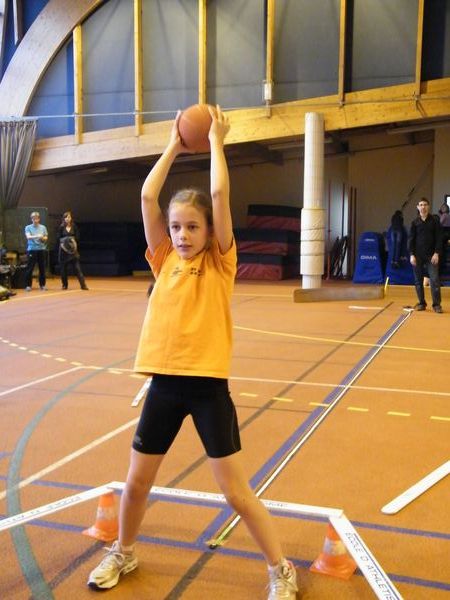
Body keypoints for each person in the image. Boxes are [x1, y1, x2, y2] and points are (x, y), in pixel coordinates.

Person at [87, 106, 298, 599]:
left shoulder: (221, 262)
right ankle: (124, 550)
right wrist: (174, 146)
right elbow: (147, 196)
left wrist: (216, 142)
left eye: (192, 227)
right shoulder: (163, 260)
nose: (182, 235)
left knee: (236, 493)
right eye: (176, 227)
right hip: (163, 387)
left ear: (209, 232)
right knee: (136, 484)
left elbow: (219, 194)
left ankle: (281, 569)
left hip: (207, 391)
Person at [408, 197, 443, 313]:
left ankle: (436, 305)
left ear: (428, 206)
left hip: (431, 256)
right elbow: (411, 240)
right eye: (421, 205)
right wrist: (411, 254)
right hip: (417, 256)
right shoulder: (414, 223)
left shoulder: (435, 221)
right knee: (418, 281)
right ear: (418, 207)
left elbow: (439, 238)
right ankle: (421, 303)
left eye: (425, 205)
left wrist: (436, 253)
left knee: (434, 280)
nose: (423, 207)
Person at [56, 211, 88, 290]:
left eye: (69, 217)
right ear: (64, 219)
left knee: (77, 268)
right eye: (66, 217)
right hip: (63, 250)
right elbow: (58, 238)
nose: (67, 219)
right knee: (63, 269)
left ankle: (83, 285)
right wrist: (64, 242)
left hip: (73, 250)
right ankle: (64, 285)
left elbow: (77, 237)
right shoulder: (61, 227)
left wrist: (72, 242)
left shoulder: (74, 226)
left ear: (71, 218)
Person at [24, 211, 48, 291]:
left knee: (42, 268)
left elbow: (46, 238)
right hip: (31, 250)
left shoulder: (43, 227)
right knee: (30, 268)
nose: (35, 220)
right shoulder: (28, 227)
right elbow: (28, 237)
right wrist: (37, 236)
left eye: (36, 218)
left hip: (41, 250)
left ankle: (42, 285)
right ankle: (28, 285)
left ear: (39, 219)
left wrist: (42, 238)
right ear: (31, 219)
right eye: (33, 218)